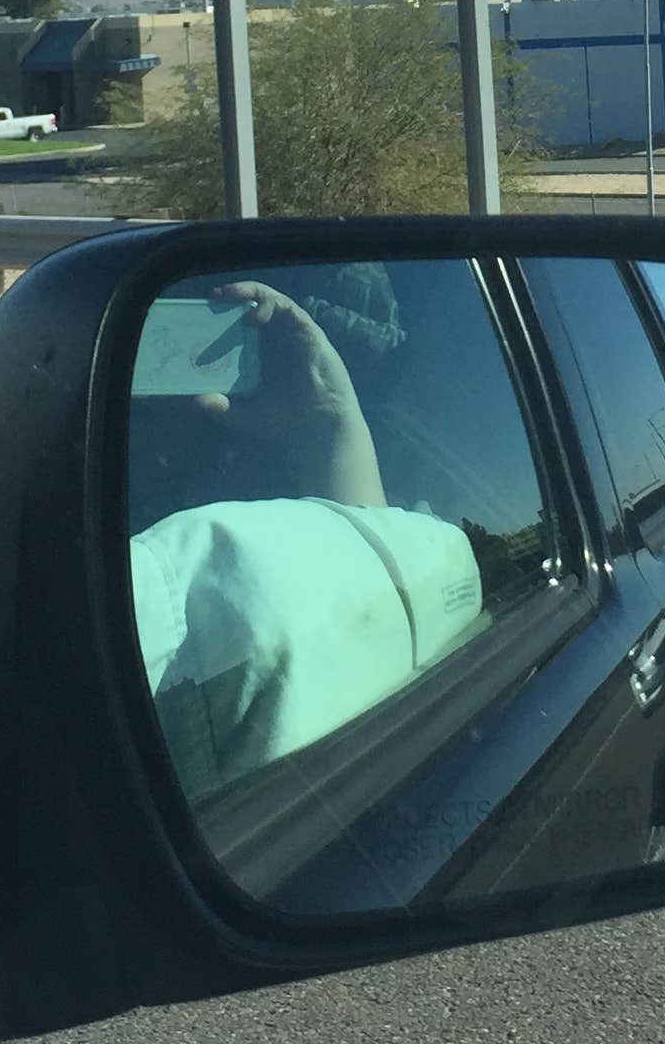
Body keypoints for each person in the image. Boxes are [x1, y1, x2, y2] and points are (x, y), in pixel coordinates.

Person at [127, 278, 480, 802]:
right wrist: (335, 432)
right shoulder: (422, 543)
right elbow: (371, 570)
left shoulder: (189, 575)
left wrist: (330, 429)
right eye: (158, 340)